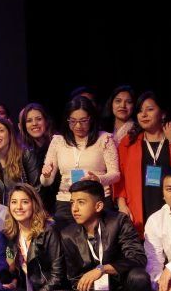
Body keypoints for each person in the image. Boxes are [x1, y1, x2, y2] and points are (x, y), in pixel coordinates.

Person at [22, 180, 152, 291]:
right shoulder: (68, 234)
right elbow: (75, 279)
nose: (74, 208)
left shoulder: (118, 222)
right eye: (72, 202)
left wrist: (103, 269)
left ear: (98, 206)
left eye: (81, 202)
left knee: (139, 276)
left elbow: (137, 258)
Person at [115, 92, 171, 234]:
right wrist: (122, 205)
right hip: (138, 211)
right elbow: (120, 178)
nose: (144, 115)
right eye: (140, 111)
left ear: (163, 113)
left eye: (150, 109)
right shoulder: (128, 143)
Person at [0, 184, 62, 291]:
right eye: (14, 202)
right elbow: (20, 270)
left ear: (34, 204)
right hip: (29, 290)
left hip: (50, 290)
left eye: (25, 202)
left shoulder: (48, 230)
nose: (18, 207)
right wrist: (13, 281)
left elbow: (57, 276)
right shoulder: (11, 234)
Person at [40, 96, 120, 225]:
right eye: (73, 121)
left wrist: (99, 179)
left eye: (83, 121)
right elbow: (46, 182)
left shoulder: (104, 139)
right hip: (67, 201)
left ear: (91, 119)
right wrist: (46, 175)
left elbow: (116, 174)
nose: (78, 125)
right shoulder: (58, 141)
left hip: (96, 201)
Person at [0, 116, 39, 204]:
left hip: (24, 209)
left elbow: (36, 190)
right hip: (0, 211)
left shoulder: (25, 155)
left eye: (0, 130)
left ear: (10, 134)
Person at [19, 103, 57, 212]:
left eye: (39, 119)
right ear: (24, 126)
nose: (34, 123)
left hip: (61, 204)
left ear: (46, 121)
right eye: (29, 120)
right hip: (38, 209)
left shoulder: (59, 143)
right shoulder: (23, 152)